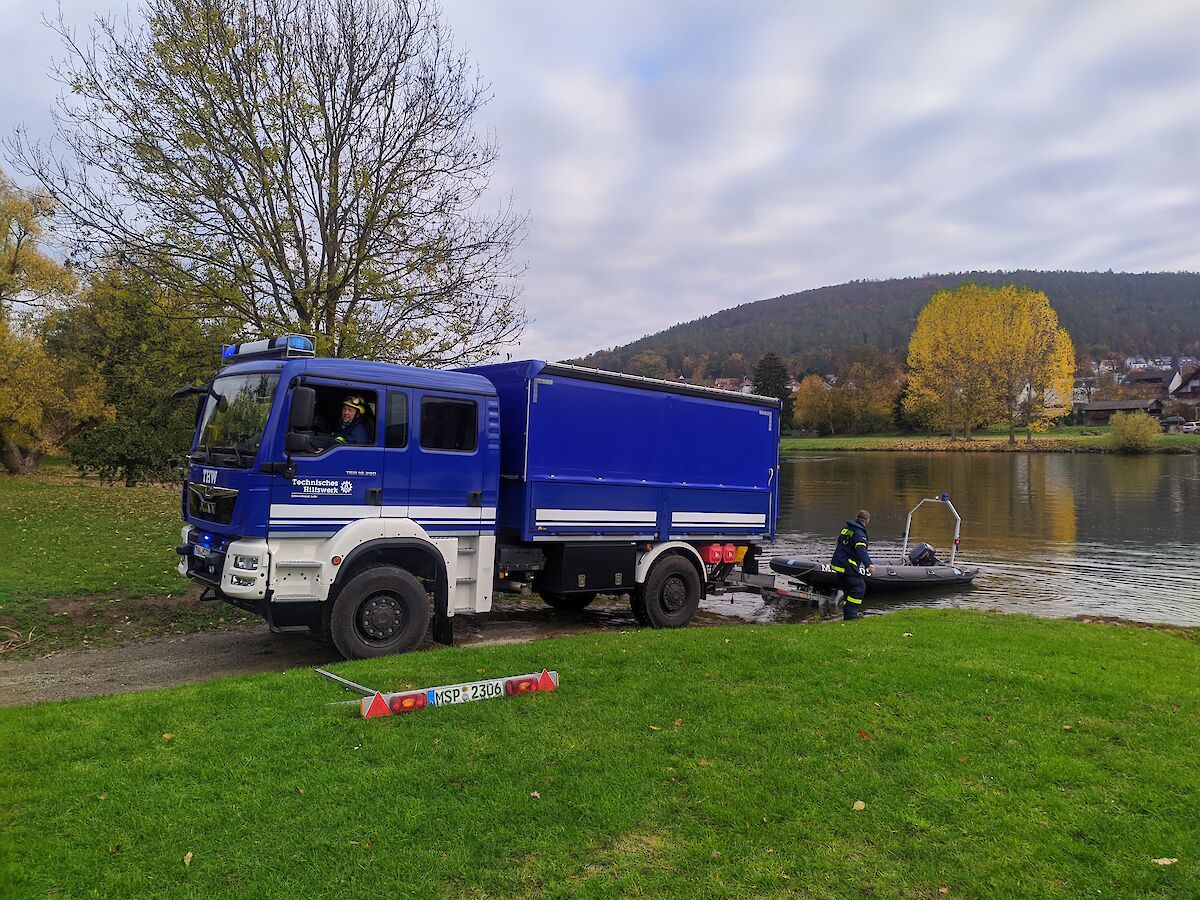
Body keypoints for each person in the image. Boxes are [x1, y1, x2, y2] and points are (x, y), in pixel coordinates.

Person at [831, 509, 874, 620]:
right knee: (859, 586)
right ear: (867, 521)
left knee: (848, 589)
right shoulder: (860, 533)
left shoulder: (846, 529)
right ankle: (851, 616)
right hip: (847, 565)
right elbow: (861, 549)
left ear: (856, 517)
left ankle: (848, 614)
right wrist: (869, 564)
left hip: (838, 564)